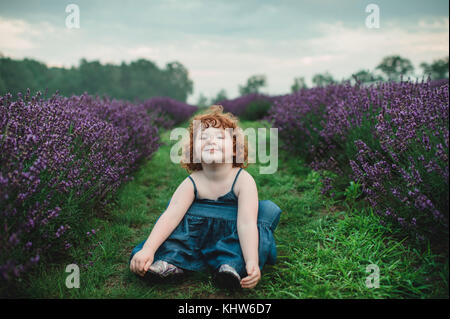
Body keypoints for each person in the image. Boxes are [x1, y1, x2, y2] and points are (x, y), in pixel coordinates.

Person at [129, 105, 281, 290]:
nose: (211, 141)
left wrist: (252, 260)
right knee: (175, 232)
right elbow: (170, 216)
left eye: (219, 137)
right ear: (194, 151)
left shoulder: (243, 179)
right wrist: (148, 249)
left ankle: (231, 267)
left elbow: (246, 224)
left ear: (235, 149)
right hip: (196, 235)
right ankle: (171, 263)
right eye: (203, 137)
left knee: (252, 229)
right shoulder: (193, 181)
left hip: (231, 233)